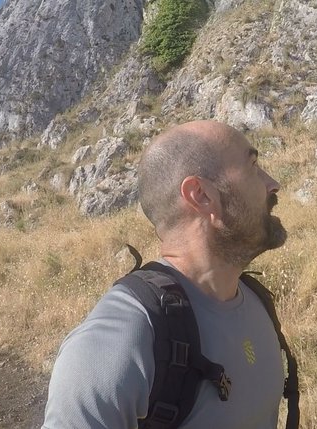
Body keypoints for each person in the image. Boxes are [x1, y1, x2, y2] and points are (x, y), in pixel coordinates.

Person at [42, 120, 289, 429]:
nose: (273, 183)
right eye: (253, 166)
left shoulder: (255, 301)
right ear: (200, 195)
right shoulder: (114, 344)